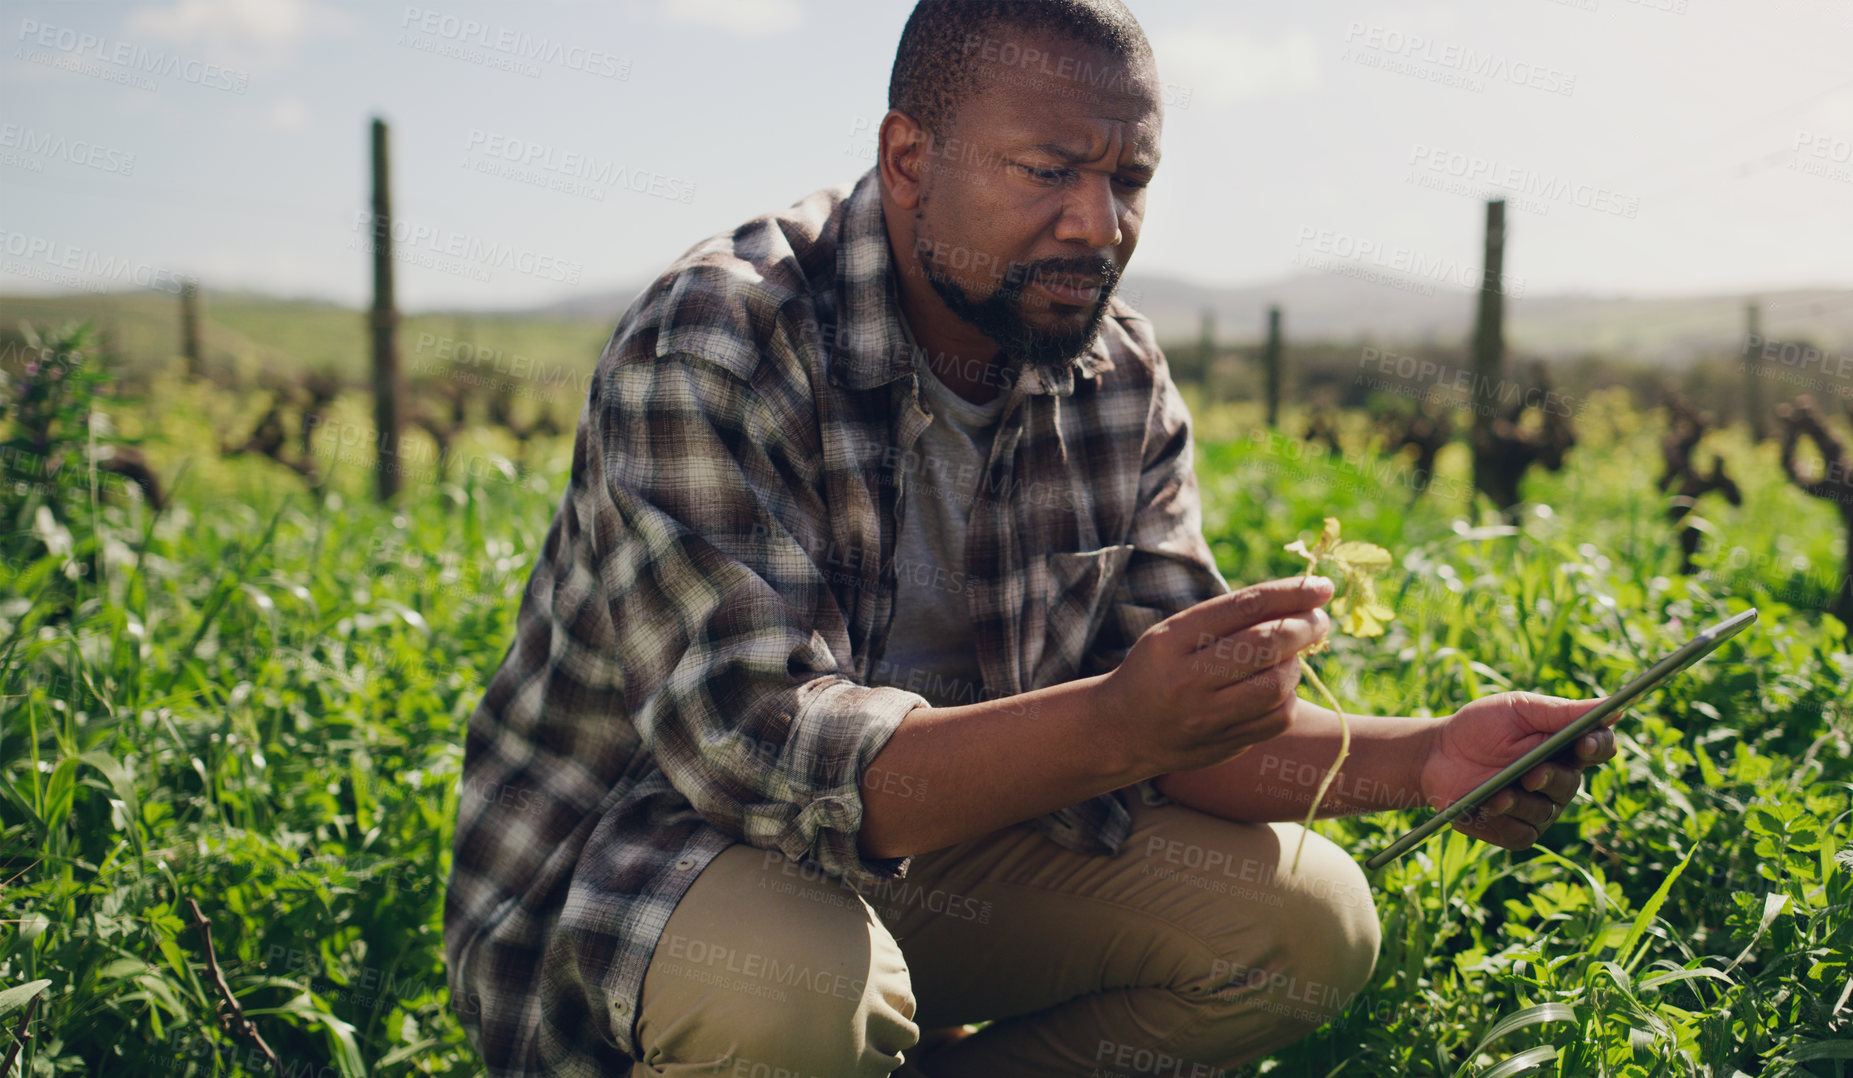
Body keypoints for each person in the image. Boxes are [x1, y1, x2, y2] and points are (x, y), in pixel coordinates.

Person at [442, 2, 1620, 1075]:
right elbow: (763, 757)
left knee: (1305, 926)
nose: (1098, 223)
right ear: (909, 160)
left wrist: (1420, 761)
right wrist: (1114, 719)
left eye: (1130, 178)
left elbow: (1169, 740)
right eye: (1049, 169)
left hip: (929, 858)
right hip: (655, 872)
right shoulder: (723, 334)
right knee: (793, 1007)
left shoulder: (1116, 374)